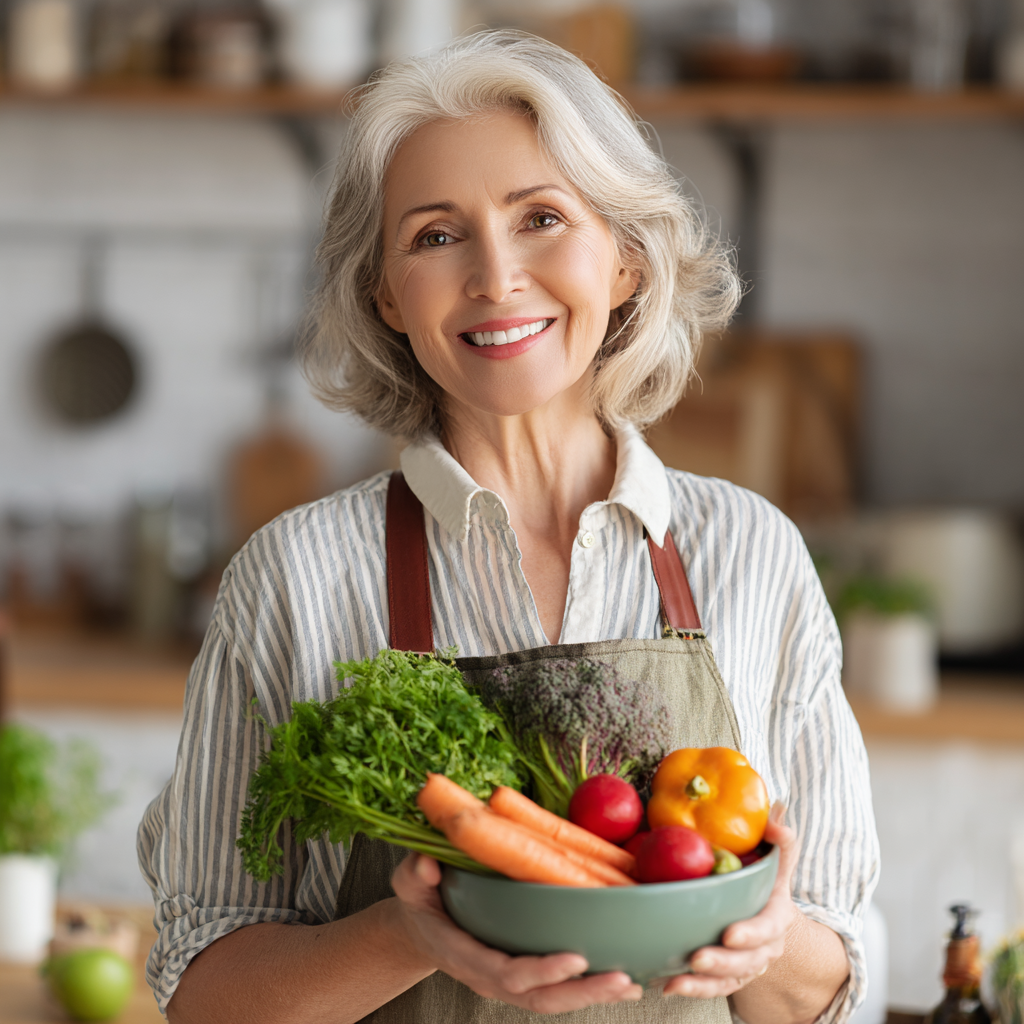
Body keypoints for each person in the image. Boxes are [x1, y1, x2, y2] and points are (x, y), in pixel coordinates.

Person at [139, 30, 879, 1024]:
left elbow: (834, 981)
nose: (495, 276)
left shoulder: (750, 552)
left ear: (622, 260)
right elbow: (203, 996)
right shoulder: (296, 575)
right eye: (435, 236)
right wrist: (408, 932)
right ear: (386, 296)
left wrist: (762, 940)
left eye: (540, 217)